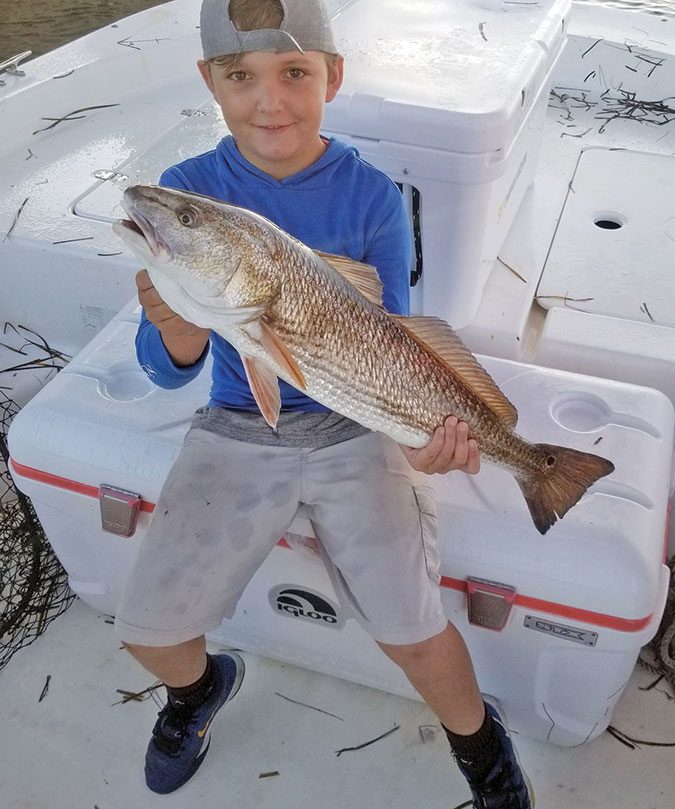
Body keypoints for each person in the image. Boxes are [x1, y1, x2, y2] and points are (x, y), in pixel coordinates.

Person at [115, 1, 533, 806]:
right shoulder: (185, 192)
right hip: (239, 421)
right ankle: (199, 690)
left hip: (360, 421)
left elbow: (401, 340)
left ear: (332, 77)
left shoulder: (374, 198)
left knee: (414, 629)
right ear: (211, 81)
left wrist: (422, 446)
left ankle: (480, 745)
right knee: (148, 630)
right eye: (241, 77)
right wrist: (175, 331)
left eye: (294, 73)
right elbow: (169, 373)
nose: (269, 102)